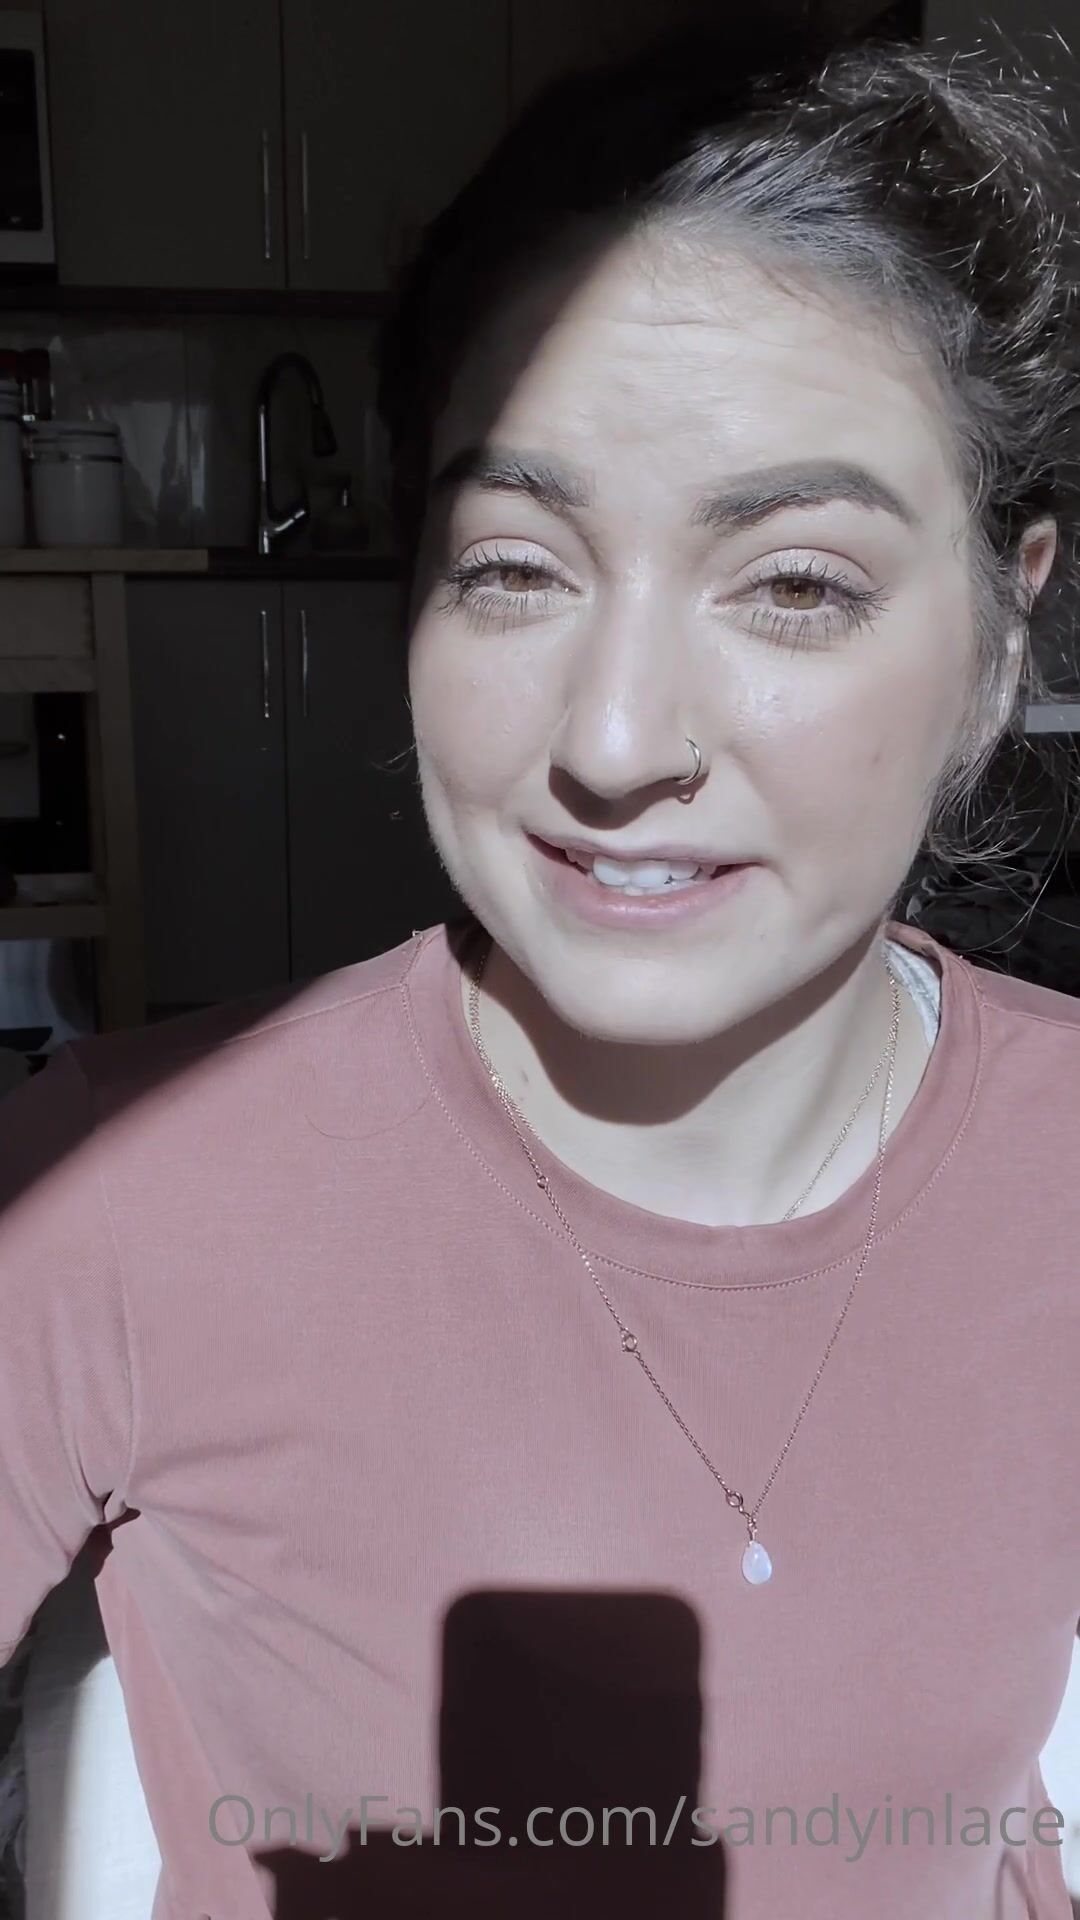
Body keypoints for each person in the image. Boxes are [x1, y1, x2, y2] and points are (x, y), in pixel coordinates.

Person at [2, 23, 1079, 1920]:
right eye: (514, 566)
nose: (614, 737)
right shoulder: (120, 1195)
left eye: (795, 584)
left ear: (1004, 638)